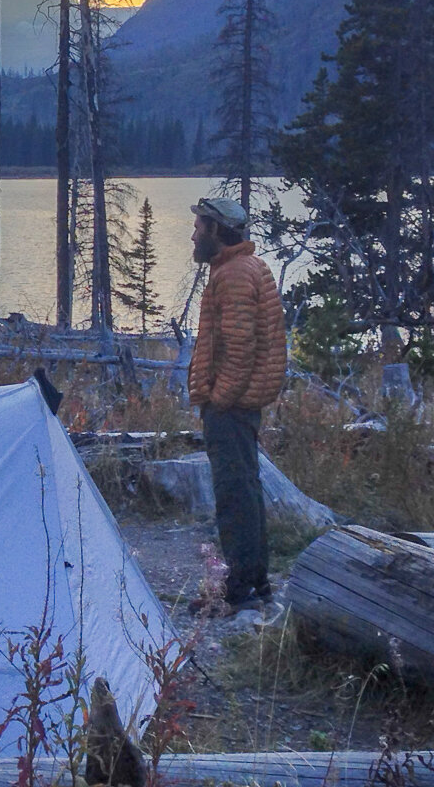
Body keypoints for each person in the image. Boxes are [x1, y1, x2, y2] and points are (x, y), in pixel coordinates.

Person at [187, 197, 287, 612]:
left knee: (234, 493)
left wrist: (218, 399)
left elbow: (241, 348)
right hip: (241, 403)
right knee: (245, 488)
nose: (193, 234)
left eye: (199, 227)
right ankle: (255, 582)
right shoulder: (247, 268)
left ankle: (239, 589)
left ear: (216, 230)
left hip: (232, 405)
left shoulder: (232, 275)